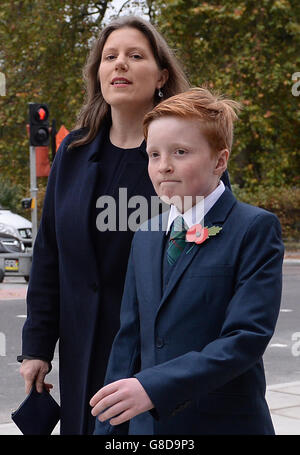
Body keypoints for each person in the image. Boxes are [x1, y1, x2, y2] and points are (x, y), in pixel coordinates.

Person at [17, 15, 195, 435]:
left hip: (159, 356)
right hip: (85, 352)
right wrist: (36, 348)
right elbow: (48, 258)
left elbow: (211, 257)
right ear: (98, 73)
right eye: (110, 56)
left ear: (162, 76)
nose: (120, 65)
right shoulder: (73, 154)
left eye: (135, 56)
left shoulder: (190, 155)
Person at [91, 87, 284, 435]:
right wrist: (105, 426)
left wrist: (154, 386)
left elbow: (245, 338)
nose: (163, 166)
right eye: (153, 154)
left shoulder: (254, 228)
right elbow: (129, 339)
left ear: (220, 161)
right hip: (148, 429)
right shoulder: (146, 234)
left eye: (180, 152)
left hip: (224, 423)